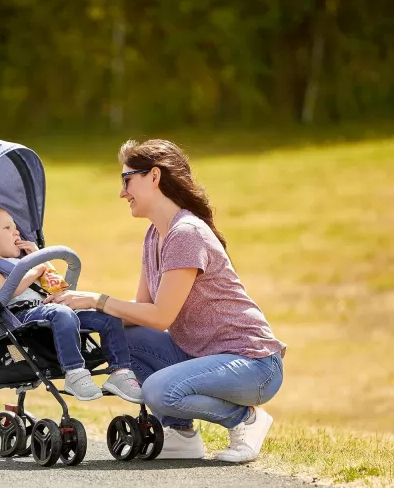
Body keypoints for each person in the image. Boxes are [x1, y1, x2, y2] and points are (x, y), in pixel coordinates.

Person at [44, 139, 286, 463]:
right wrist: (80, 312)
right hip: (203, 355)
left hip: (253, 365)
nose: (122, 192)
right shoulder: (154, 235)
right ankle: (180, 433)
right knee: (121, 338)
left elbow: (161, 317)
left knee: (159, 391)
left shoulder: (186, 233)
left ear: (154, 177)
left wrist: (98, 299)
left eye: (126, 180)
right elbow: (140, 312)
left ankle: (245, 420)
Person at [0, 206, 142, 404]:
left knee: (108, 316)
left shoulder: (24, 260)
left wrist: (38, 257)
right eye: (7, 228)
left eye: (15, 227)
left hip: (51, 308)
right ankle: (74, 372)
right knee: (61, 313)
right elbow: (6, 291)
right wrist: (35, 268)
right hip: (21, 315)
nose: (16, 232)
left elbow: (54, 282)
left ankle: (121, 371)